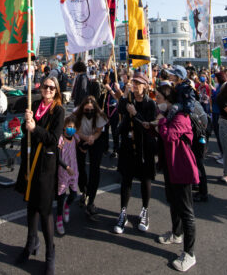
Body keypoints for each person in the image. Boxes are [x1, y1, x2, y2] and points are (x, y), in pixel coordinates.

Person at [15, 76, 64, 275]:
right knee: (31, 205)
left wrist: (35, 127)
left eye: (52, 88)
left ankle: (50, 252)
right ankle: (30, 243)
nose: (48, 90)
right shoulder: (34, 104)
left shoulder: (58, 110)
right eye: (45, 86)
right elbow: (25, 132)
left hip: (45, 164)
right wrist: (26, 122)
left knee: (44, 210)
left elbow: (52, 139)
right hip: (30, 162)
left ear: (56, 91)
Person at [156, 83, 199, 273]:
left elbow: (169, 135)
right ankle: (176, 233)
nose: (157, 102)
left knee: (187, 211)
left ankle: (189, 254)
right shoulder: (171, 115)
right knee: (173, 202)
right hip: (171, 167)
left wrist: (160, 121)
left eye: (159, 98)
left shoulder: (181, 117)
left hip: (182, 168)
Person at [113, 72, 157, 235]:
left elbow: (148, 127)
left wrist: (134, 114)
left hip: (144, 148)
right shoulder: (128, 100)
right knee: (126, 180)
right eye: (134, 83)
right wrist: (124, 95)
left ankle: (144, 210)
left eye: (139, 83)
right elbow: (119, 109)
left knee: (145, 180)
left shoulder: (150, 104)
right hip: (128, 147)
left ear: (145, 86)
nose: (135, 86)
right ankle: (123, 211)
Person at [75, 95, 107, 220]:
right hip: (81, 138)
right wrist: (83, 141)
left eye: (91, 110)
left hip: (95, 140)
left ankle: (91, 199)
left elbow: (99, 130)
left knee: (95, 169)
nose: (89, 113)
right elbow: (75, 130)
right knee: (80, 166)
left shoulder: (99, 116)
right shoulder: (76, 114)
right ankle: (84, 189)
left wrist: (93, 138)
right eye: (86, 110)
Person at [56, 114, 79, 235]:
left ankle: (67, 206)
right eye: (69, 127)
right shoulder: (60, 139)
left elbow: (82, 144)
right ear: (64, 127)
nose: (71, 129)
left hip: (74, 171)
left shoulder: (75, 136)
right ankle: (59, 219)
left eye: (73, 127)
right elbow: (57, 157)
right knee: (61, 196)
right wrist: (66, 167)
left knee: (74, 194)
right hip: (63, 172)